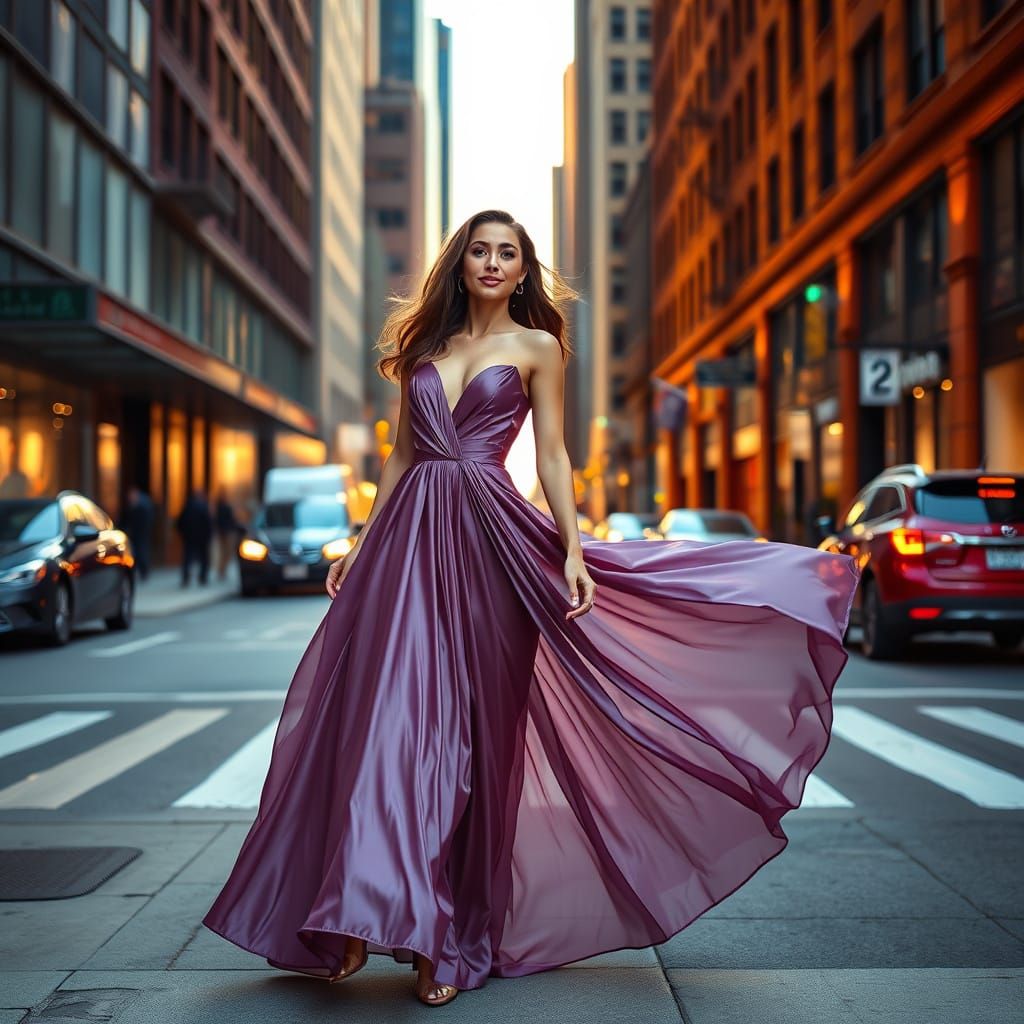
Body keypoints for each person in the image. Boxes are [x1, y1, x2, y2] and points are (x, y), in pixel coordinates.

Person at [202, 210, 860, 1007]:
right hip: (406, 545)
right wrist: (361, 541)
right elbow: (403, 454)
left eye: (507, 253)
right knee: (382, 727)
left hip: (493, 548)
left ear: (524, 271)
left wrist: (575, 549)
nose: (491, 262)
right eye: (479, 250)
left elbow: (551, 452)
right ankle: (347, 920)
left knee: (468, 745)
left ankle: (446, 937)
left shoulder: (538, 347)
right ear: (461, 262)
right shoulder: (425, 351)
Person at [176, 489, 212, 586]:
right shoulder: (203, 507)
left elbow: (180, 522)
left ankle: (186, 577)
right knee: (203, 558)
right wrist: (208, 536)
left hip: (190, 537)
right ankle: (202, 577)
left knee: (188, 558)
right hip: (201, 538)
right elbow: (208, 523)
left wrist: (183, 533)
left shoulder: (188, 507)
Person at [122, 485, 155, 581]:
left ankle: (144, 571)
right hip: (135, 534)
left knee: (142, 552)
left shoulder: (142, 505)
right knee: (136, 552)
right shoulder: (133, 505)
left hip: (141, 534)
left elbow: (146, 521)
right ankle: (138, 571)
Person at [213, 489, 244, 580]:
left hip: (224, 531)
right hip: (227, 532)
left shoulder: (220, 506)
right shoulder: (223, 507)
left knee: (225, 552)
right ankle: (222, 571)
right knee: (226, 552)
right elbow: (229, 519)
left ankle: (222, 570)